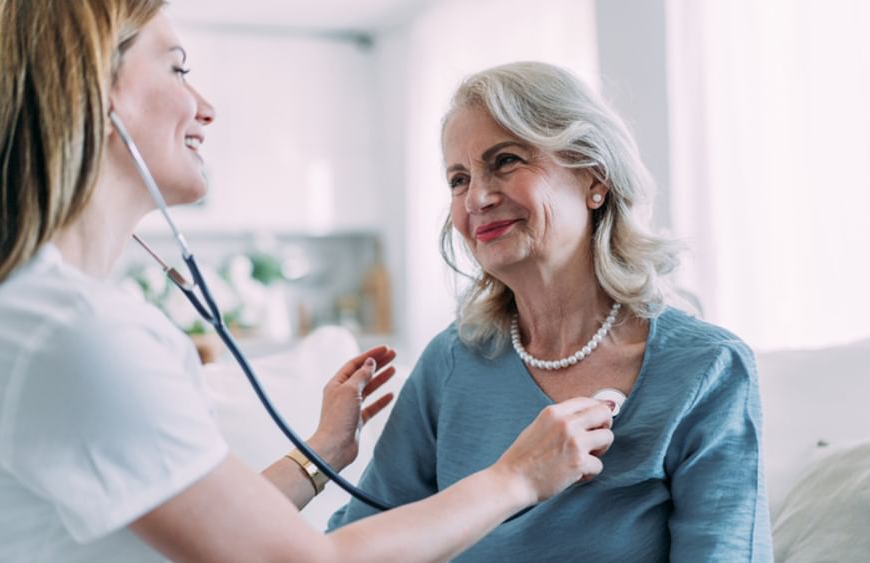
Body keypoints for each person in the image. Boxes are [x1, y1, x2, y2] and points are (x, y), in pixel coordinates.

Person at [0, 5, 617, 562]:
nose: (205, 107)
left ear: (595, 181)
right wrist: (517, 478)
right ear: (98, 89)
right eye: (178, 69)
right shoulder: (71, 334)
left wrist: (322, 453)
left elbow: (197, 527)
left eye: (506, 161)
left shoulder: (54, 316)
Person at [329, 61, 774, 561]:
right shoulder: (449, 362)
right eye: (458, 179)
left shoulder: (707, 368)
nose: (477, 197)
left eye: (506, 160)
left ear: (594, 178)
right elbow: (354, 544)